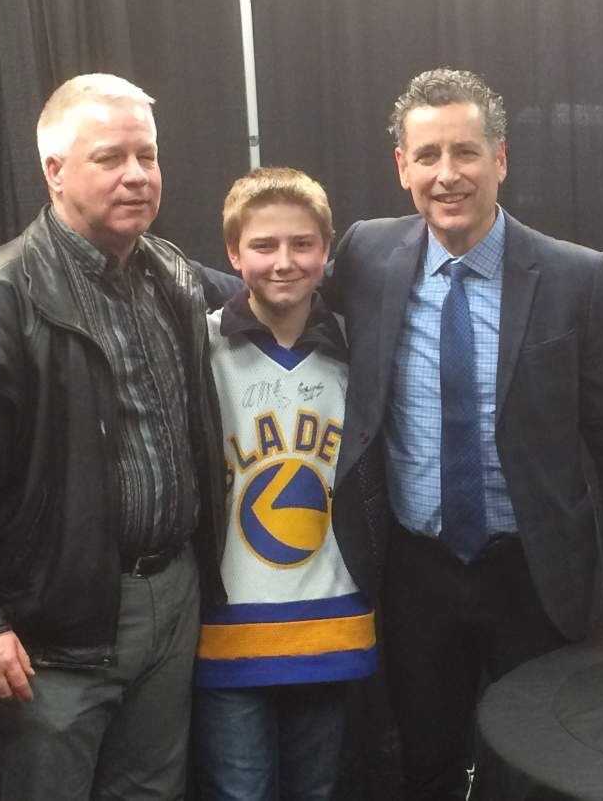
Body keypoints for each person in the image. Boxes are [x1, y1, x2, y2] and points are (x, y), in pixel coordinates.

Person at [326, 67, 603, 800]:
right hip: (414, 575)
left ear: (501, 159)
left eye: (466, 152)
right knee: (423, 762)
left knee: (545, 771)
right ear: (401, 167)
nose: (448, 174)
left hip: (538, 576)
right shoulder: (367, 255)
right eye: (429, 155)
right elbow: (279, 290)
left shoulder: (576, 276)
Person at [0, 73, 228, 800]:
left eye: (147, 156)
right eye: (111, 158)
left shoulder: (171, 274)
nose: (138, 175)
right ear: (54, 170)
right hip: (52, 626)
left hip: (172, 598)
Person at [193, 167, 386, 801]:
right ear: (232, 252)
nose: (284, 262)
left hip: (331, 622)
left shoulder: (361, 348)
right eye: (264, 246)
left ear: (327, 251)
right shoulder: (197, 346)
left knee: (320, 791)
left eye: (302, 244)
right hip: (228, 629)